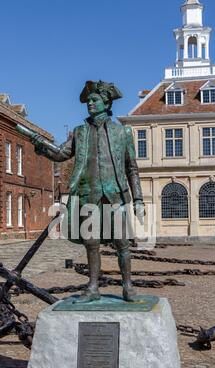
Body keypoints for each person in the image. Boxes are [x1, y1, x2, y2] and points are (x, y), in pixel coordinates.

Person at [32, 80, 145, 303]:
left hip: (116, 194)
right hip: (88, 193)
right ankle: (93, 287)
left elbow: (132, 168)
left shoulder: (122, 132)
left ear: (106, 102)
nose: (90, 104)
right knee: (91, 243)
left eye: (94, 100)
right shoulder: (80, 132)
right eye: (89, 101)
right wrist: (42, 146)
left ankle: (128, 286)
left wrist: (138, 198)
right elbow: (62, 154)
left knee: (122, 243)